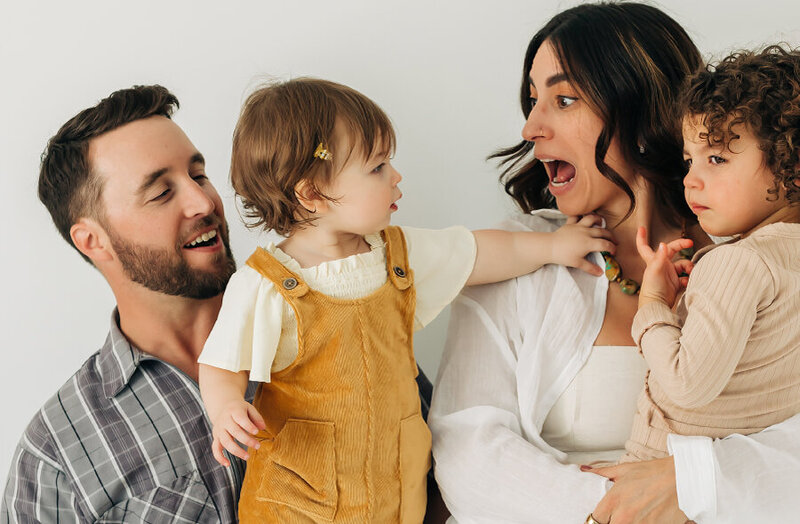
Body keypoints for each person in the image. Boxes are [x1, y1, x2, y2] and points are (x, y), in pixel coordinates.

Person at [428, 3, 800, 523]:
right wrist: (608, 512)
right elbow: (468, 446)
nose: (531, 126)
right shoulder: (512, 257)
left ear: (642, 112)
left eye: (563, 99)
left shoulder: (761, 267)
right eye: (533, 101)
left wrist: (692, 483)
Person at [196, 77, 614, 523]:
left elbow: (478, 253)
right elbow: (221, 362)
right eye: (377, 168)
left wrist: (552, 247)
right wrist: (226, 408)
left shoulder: (396, 255)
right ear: (311, 193)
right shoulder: (265, 285)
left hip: (393, 495)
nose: (395, 176)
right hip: (298, 504)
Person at [0, 85, 253, 522]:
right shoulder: (55, 458)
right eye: (161, 193)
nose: (203, 201)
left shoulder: (336, 324)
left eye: (197, 175)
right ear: (94, 241)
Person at [622, 45, 800, 463]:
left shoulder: (736, 262)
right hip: (740, 488)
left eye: (716, 158)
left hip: (664, 480)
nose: (692, 181)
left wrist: (652, 308)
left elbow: (687, 385)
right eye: (689, 161)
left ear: (791, 165)